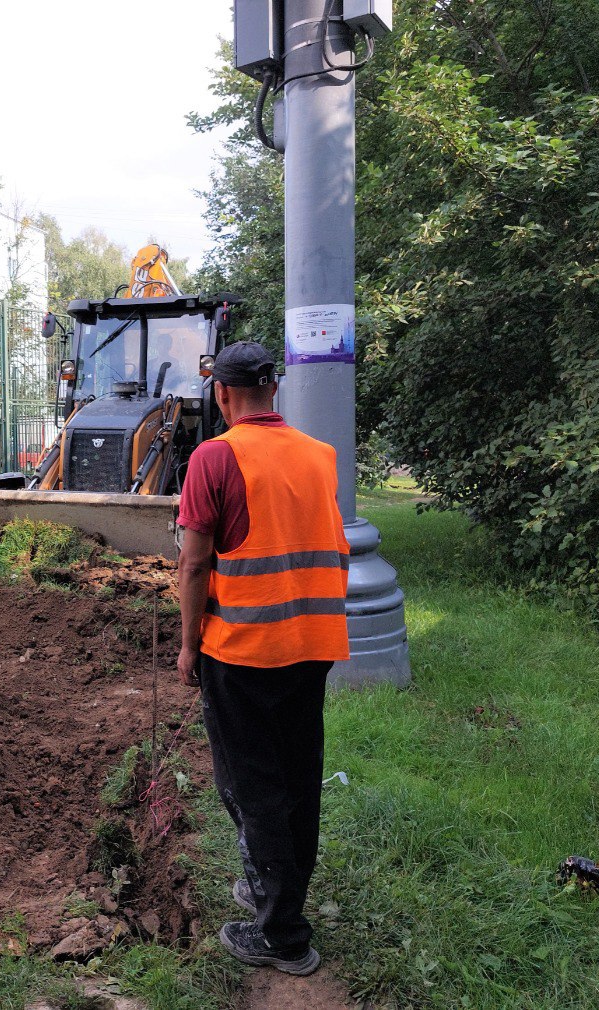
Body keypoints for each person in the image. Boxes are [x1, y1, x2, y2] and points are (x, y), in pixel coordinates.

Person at [175, 341, 350, 976]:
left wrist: (188, 646)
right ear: (273, 391)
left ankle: (282, 935)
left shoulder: (213, 458)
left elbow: (195, 564)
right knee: (298, 777)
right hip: (312, 647)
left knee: (252, 789)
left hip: (243, 651)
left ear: (222, 396)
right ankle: (273, 891)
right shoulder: (318, 456)